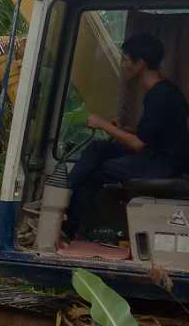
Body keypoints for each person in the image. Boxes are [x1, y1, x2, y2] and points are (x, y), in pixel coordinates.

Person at [64, 32, 189, 239]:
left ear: (140, 63)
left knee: (96, 173)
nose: (122, 64)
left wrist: (102, 124)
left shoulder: (160, 96)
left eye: (125, 59)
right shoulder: (165, 91)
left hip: (162, 165)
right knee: (98, 148)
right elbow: (154, 135)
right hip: (159, 157)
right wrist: (123, 129)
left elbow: (139, 145)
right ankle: (65, 193)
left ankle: (68, 229)